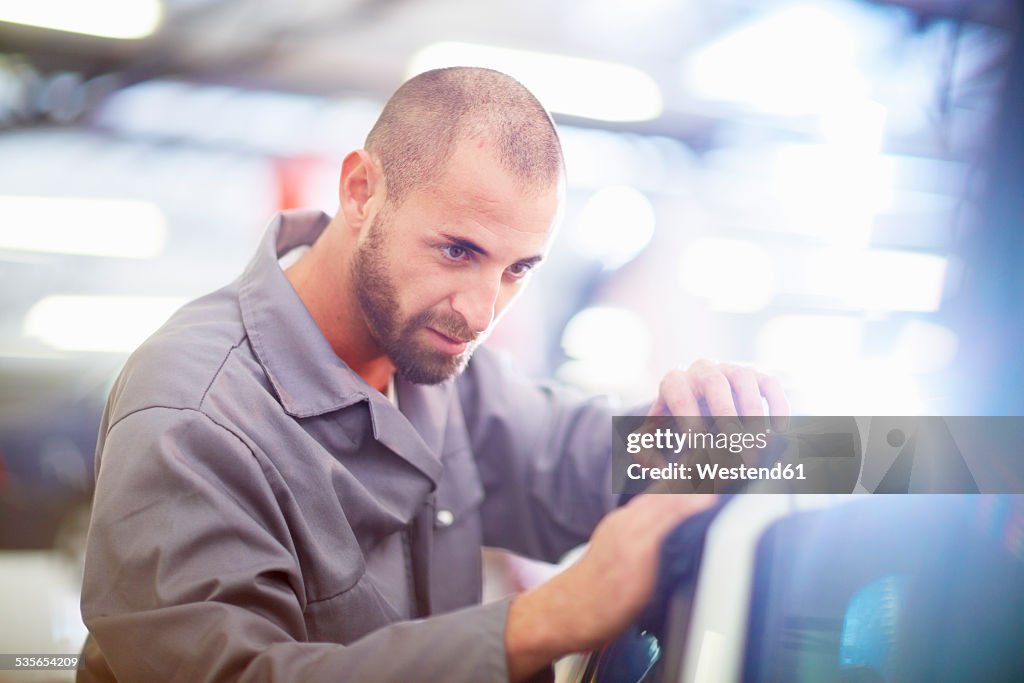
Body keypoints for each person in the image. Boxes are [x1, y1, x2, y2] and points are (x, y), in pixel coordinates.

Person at [79, 67, 787, 682]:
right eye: (457, 250)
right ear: (361, 190)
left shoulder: (437, 367)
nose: (482, 312)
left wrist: (759, 439)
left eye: (518, 270)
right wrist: (549, 617)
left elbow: (582, 457)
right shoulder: (193, 413)